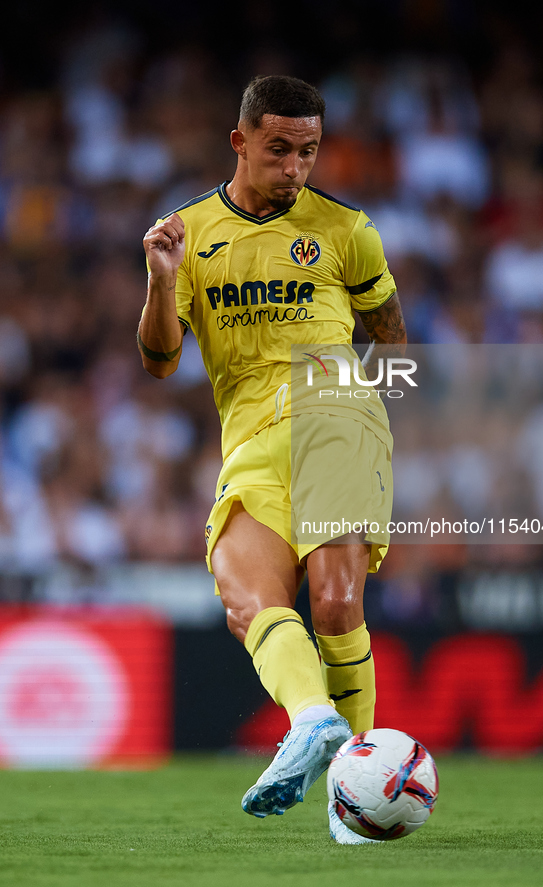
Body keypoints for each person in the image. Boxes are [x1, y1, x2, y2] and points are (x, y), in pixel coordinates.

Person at [138, 75, 406, 844]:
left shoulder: (347, 228)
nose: (295, 169)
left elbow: (389, 332)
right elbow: (159, 362)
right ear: (241, 140)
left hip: (334, 407)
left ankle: (349, 799)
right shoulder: (184, 235)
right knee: (246, 599)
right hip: (251, 438)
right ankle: (316, 718)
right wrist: (160, 283)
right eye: (280, 150)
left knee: (334, 602)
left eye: (309, 153)